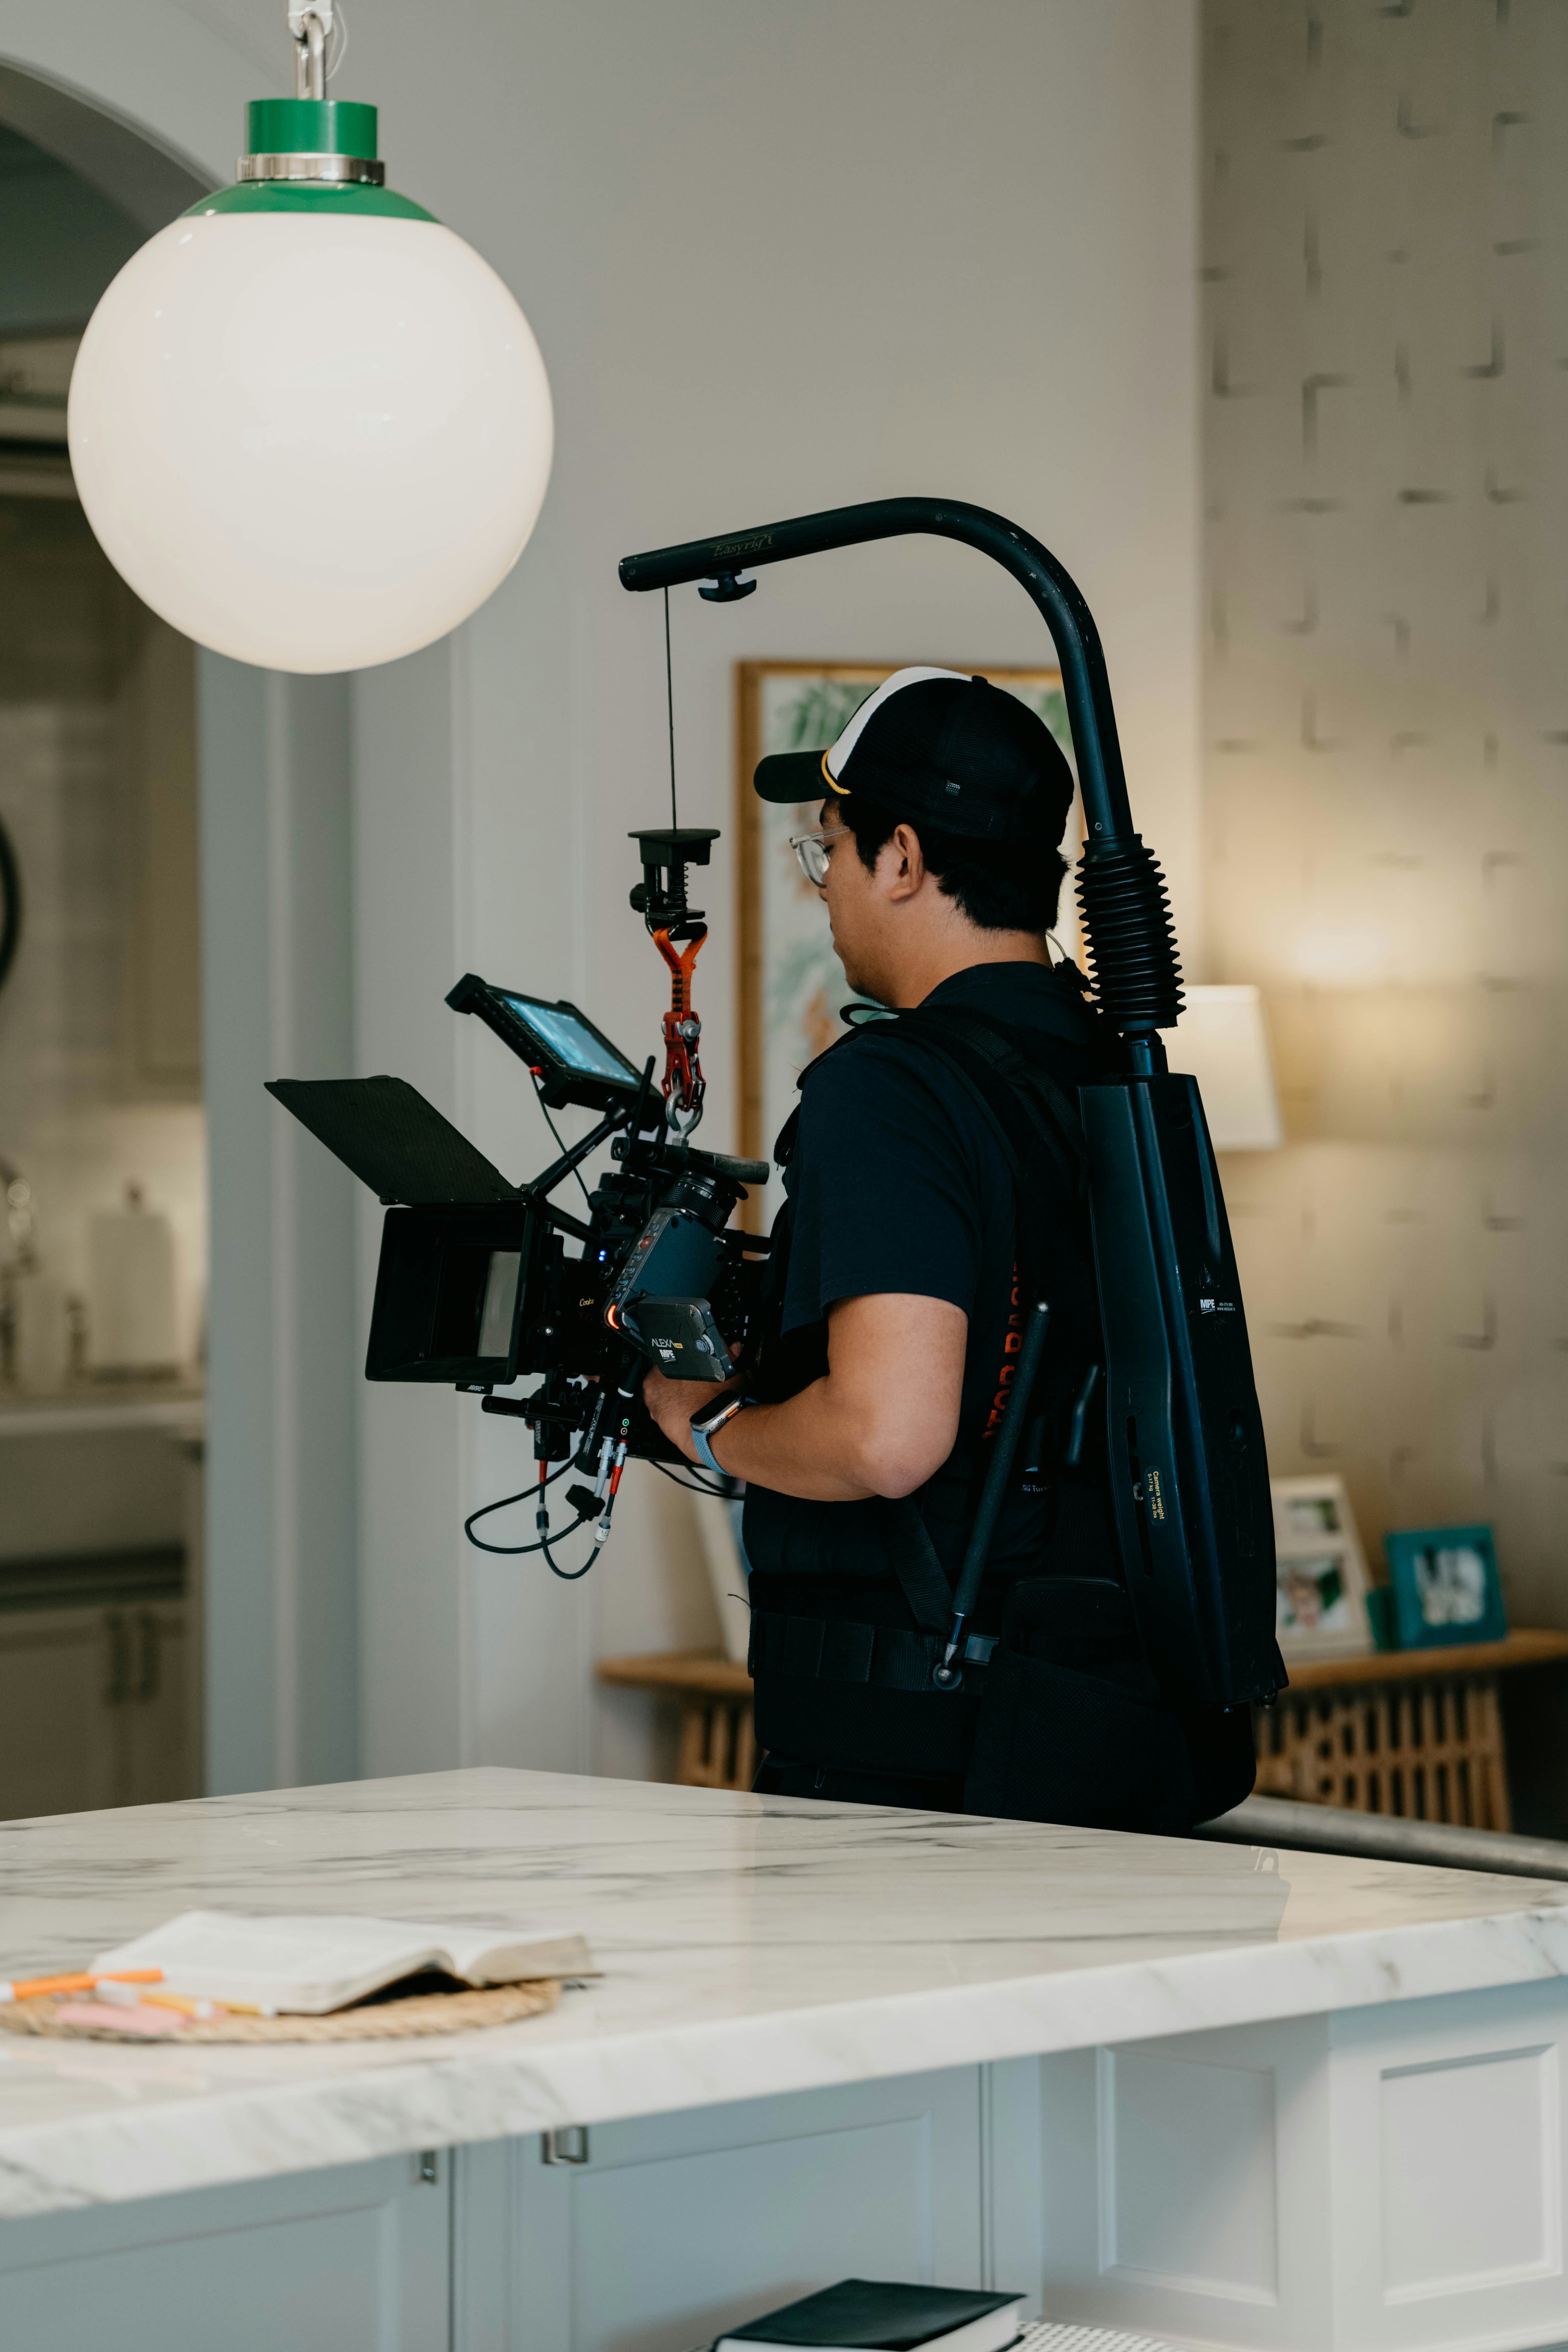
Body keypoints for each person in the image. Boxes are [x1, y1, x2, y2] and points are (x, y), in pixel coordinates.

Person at [641, 668, 1255, 1829]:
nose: (825, 884)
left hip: (924, 1761)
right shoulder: (1108, 1068)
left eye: (831, 849)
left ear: (905, 859)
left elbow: (886, 1436)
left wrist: (708, 1422)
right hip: (1111, 1717)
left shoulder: (891, 1088)